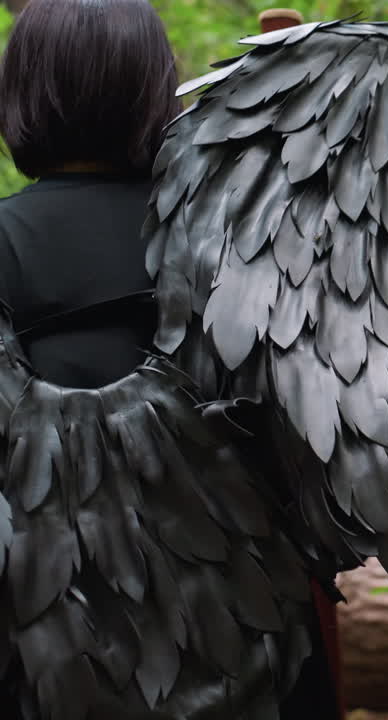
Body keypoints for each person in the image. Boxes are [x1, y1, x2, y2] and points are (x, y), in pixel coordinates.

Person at [0, 1, 341, 717]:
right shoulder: (238, 240)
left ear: (19, 93)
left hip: (39, 673)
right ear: (156, 90)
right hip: (257, 663)